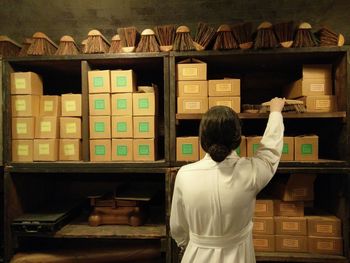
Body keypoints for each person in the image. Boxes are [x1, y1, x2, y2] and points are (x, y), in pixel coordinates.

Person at [170, 97, 285, 263]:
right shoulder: (251, 172)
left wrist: (190, 244)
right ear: (237, 138)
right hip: (239, 256)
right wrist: (275, 113)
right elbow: (270, 152)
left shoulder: (184, 175)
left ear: (202, 138)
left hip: (196, 255)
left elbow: (177, 227)